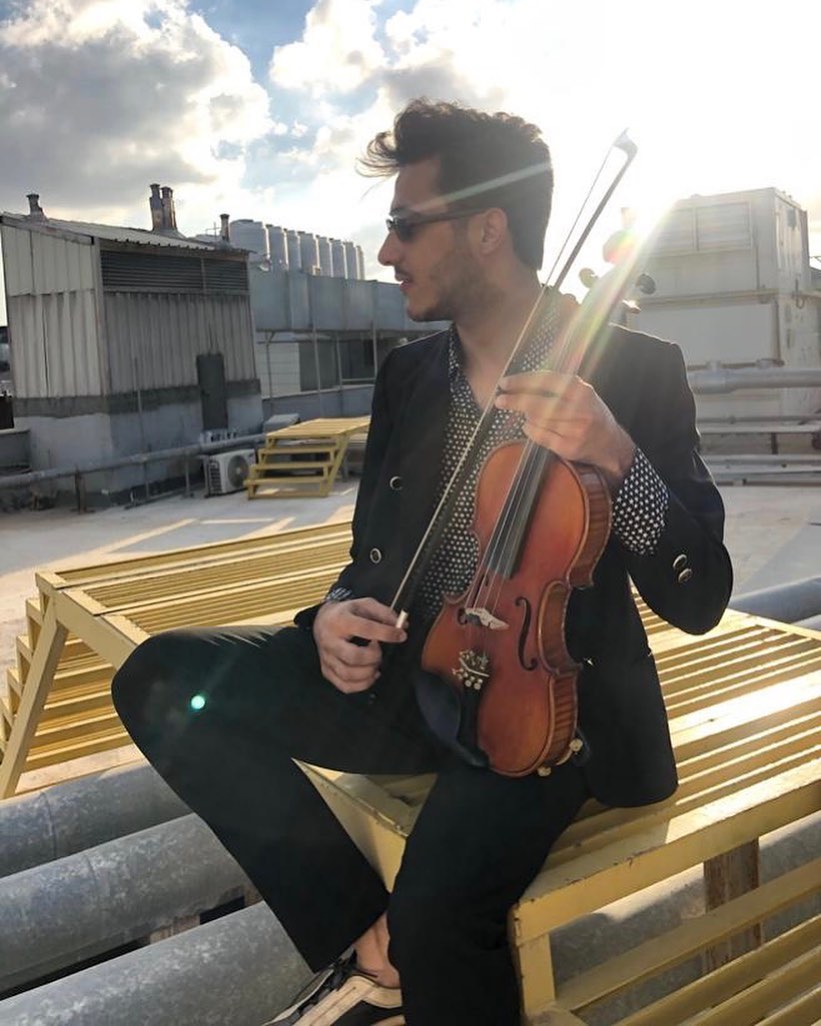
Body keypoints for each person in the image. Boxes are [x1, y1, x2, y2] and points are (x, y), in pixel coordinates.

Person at [112, 100, 733, 1026]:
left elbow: (701, 595)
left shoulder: (635, 371)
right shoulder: (409, 375)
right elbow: (369, 559)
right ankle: (365, 940)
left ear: (486, 231)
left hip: (548, 713)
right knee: (161, 677)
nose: (386, 251)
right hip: (414, 679)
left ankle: (400, 954)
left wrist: (617, 457)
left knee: (442, 914)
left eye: (406, 225)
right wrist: (334, 615)